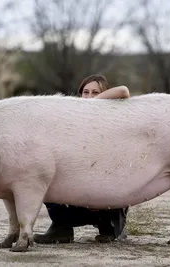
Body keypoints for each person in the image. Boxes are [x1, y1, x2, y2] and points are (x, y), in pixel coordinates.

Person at [34, 74, 131, 244]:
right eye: (85, 92)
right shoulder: (71, 124)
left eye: (95, 92)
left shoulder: (113, 119)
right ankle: (60, 228)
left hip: (107, 197)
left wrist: (91, 104)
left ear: (106, 95)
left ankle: (109, 227)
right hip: (80, 196)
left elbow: (123, 91)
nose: (89, 96)